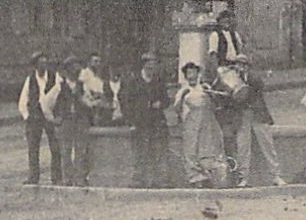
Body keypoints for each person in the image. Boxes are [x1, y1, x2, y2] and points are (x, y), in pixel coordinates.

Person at [231, 55, 285, 187]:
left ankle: (276, 175)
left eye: (244, 65)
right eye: (238, 65)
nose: (241, 67)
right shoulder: (232, 79)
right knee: (243, 146)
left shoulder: (253, 78)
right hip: (243, 115)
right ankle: (243, 177)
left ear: (248, 67)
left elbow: (259, 85)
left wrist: (244, 80)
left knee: (267, 144)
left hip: (257, 113)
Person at [172, 62, 226, 188]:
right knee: (191, 148)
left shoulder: (205, 87)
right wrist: (181, 99)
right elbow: (176, 109)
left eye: (193, 72)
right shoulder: (183, 91)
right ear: (185, 76)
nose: (191, 76)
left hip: (207, 122)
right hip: (190, 122)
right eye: (189, 73)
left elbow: (215, 104)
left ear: (198, 74)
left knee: (207, 147)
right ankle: (195, 178)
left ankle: (209, 176)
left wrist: (211, 96)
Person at [122, 52, 171, 188]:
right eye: (149, 67)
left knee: (157, 151)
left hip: (156, 122)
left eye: (154, 67)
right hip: (140, 122)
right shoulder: (134, 82)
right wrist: (131, 122)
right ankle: (138, 179)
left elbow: (166, 100)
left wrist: (160, 104)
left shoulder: (158, 82)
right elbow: (127, 103)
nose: (151, 70)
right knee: (140, 152)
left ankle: (157, 180)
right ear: (143, 66)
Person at [46, 56, 93, 187]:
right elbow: (45, 103)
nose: (75, 71)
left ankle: (79, 178)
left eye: (77, 68)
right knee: (66, 152)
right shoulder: (59, 87)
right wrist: (53, 119)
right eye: (72, 68)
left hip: (79, 121)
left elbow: (89, 102)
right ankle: (68, 179)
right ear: (66, 71)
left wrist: (86, 102)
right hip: (66, 122)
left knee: (80, 150)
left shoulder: (82, 86)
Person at [17, 52, 60, 186]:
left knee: (56, 147)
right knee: (33, 149)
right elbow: (23, 100)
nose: (43, 67)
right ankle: (33, 177)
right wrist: (27, 116)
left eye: (45, 64)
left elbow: (59, 94)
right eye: (40, 64)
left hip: (50, 116)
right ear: (35, 66)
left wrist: (56, 115)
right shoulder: (30, 80)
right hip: (35, 118)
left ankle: (57, 177)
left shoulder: (55, 77)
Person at [80, 54, 114, 127]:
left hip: (99, 104)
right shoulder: (84, 73)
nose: (98, 64)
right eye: (95, 61)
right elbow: (83, 90)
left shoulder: (98, 78)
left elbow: (101, 92)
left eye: (99, 62)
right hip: (88, 102)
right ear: (89, 62)